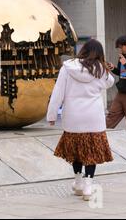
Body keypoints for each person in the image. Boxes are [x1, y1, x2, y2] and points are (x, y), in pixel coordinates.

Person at [47, 39, 114, 201]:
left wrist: (52, 114)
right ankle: (88, 187)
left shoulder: (68, 67)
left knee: (75, 151)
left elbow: (58, 92)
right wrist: (106, 67)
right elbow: (110, 83)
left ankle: (78, 183)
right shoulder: (101, 69)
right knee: (91, 152)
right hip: (94, 117)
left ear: (83, 50)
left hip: (73, 117)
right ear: (99, 54)